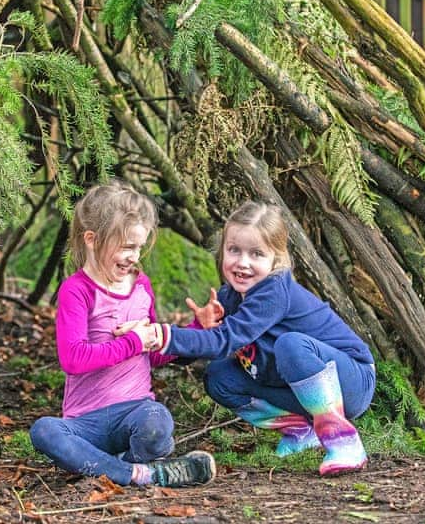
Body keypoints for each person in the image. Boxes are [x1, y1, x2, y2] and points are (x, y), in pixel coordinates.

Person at [152, 201, 376, 476]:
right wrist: (199, 327)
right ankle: (300, 430)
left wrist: (163, 335)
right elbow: (205, 347)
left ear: (276, 260)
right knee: (219, 376)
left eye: (256, 254)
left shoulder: (273, 292)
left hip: (351, 381)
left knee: (291, 344)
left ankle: (343, 441)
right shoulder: (229, 296)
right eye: (234, 250)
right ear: (222, 250)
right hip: (295, 388)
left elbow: (225, 340)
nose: (242, 263)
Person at [29, 180, 216, 488]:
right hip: (84, 422)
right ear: (92, 239)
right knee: (45, 432)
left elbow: (154, 355)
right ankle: (141, 473)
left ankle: (113, 466)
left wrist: (197, 330)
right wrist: (133, 341)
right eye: (127, 247)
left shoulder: (141, 286)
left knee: (158, 422)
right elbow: (73, 358)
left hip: (135, 411)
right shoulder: (77, 290)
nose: (134, 256)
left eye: (139, 247)